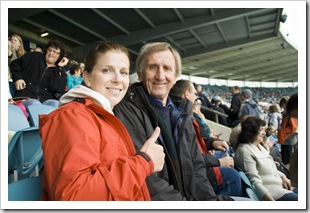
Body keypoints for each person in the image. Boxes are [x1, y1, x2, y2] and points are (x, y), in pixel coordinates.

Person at [114, 42, 245, 201]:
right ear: (140, 74)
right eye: (153, 67)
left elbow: (196, 170)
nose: (160, 76)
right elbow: (149, 184)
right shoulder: (125, 111)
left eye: (167, 68)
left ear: (175, 76)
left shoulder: (181, 114)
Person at [38, 41, 165, 200]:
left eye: (124, 72)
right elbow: (75, 197)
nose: (118, 79)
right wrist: (144, 162)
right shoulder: (72, 116)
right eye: (107, 70)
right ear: (87, 78)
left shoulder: (105, 116)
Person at [170, 79, 242, 197]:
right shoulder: (181, 118)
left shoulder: (184, 114)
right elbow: (190, 156)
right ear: (187, 94)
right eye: (194, 93)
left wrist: (212, 143)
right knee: (233, 176)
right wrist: (218, 162)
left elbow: (196, 141)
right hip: (195, 173)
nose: (196, 97)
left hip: (201, 162)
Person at [234, 116, 298, 201]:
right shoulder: (245, 151)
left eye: (264, 130)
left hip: (282, 187)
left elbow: (270, 169)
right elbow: (255, 183)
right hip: (273, 194)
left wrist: (283, 177)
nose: (264, 133)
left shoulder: (259, 146)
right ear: (251, 131)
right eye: (261, 130)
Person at [10, 39, 68, 108]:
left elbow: (58, 89)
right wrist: (18, 78)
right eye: (50, 50)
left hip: (45, 99)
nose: (51, 53)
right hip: (25, 96)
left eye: (55, 52)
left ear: (60, 56)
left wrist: (60, 68)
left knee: (56, 104)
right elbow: (15, 64)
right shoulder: (34, 56)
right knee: (35, 104)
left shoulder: (59, 70)